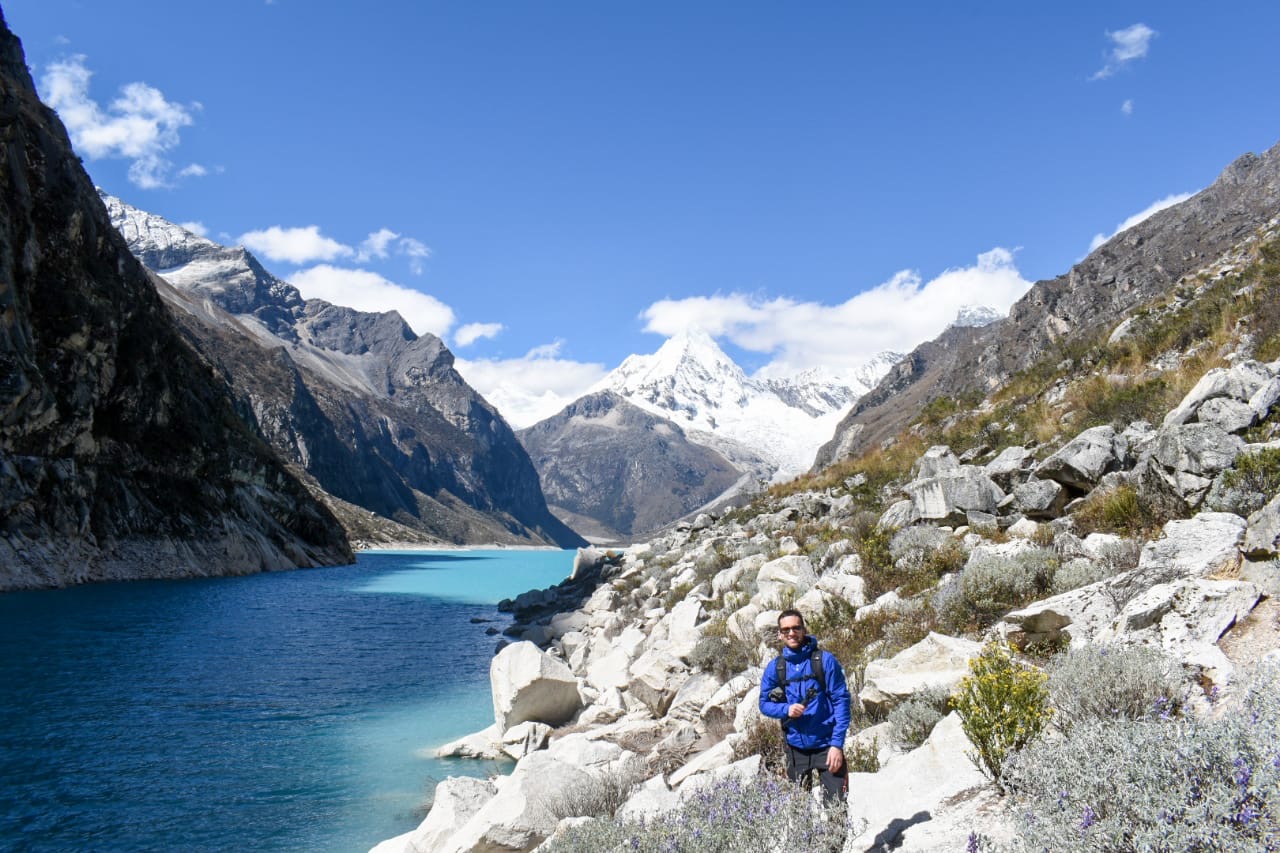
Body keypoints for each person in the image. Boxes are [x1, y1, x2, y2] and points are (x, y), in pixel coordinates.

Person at [758, 608, 852, 803]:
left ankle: (835, 836)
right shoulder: (776, 667)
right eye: (786, 630)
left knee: (836, 809)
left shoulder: (824, 660)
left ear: (804, 629)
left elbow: (841, 702)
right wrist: (786, 709)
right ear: (779, 634)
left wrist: (837, 744)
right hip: (795, 748)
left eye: (796, 628)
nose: (791, 633)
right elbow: (764, 703)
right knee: (801, 812)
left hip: (827, 746)